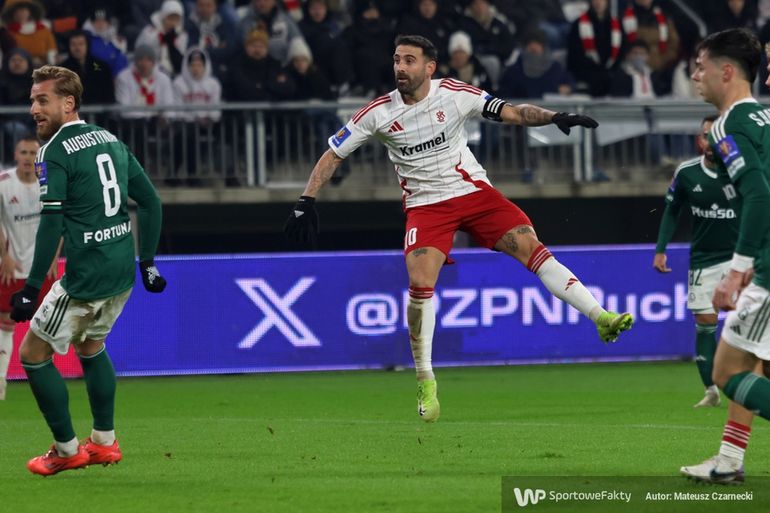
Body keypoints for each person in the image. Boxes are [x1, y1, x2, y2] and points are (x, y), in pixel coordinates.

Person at [284, 35, 634, 423]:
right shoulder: (378, 112)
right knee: (420, 281)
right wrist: (306, 200)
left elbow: (512, 112)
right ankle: (425, 379)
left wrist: (555, 117)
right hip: (426, 206)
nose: (400, 67)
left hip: (473, 193)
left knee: (531, 247)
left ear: (429, 67)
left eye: (409, 60)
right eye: (397, 60)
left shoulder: (454, 94)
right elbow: (334, 153)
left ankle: (600, 317)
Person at [11, 65, 166, 476]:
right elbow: (151, 202)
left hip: (86, 276)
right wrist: (147, 261)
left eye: (42, 100)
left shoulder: (54, 151)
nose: (33, 109)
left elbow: (52, 220)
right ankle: (103, 442)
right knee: (92, 346)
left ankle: (66, 450)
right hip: (121, 270)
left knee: (32, 354)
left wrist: (31, 287)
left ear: (68, 103)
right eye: (32, 100)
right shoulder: (111, 140)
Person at [679, 28, 770, 484]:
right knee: (755, 365)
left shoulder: (726, 126)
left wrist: (737, 270)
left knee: (726, 369)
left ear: (726, 71)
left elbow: (758, 195)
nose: (695, 76)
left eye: (701, 67)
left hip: (767, 268)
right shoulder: (765, 118)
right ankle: (729, 461)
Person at [653, 115, 739, 408]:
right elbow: (672, 210)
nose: (710, 141)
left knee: (752, 320)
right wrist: (661, 249)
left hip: (741, 259)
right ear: (699, 140)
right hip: (704, 260)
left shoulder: (742, 169)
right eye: (706, 135)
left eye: (717, 135)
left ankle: (752, 381)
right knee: (704, 322)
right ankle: (711, 390)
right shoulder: (687, 173)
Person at [0, 135, 58, 401]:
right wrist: (4, 255)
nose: (27, 158)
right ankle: (1, 380)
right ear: (15, 155)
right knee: (5, 321)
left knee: (47, 324)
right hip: (11, 266)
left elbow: (60, 221)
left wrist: (53, 256)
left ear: (39, 157)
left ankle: (47, 381)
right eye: (23, 152)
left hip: (41, 267)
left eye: (33, 153)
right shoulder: (4, 183)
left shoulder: (49, 183)